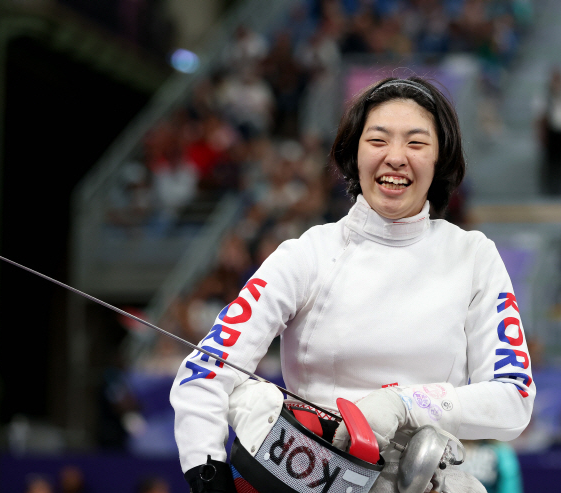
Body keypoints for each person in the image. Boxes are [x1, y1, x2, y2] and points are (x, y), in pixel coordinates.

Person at [170, 77, 535, 493]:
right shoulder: (307, 254)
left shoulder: (473, 256)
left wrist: (405, 404)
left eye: (416, 144)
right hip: (310, 480)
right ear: (354, 154)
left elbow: (513, 399)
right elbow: (204, 371)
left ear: (440, 161)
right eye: (378, 140)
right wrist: (207, 473)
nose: (395, 158)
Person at [534, 67, 561, 196]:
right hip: (551, 133)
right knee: (550, 163)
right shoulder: (545, 95)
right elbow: (539, 117)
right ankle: (549, 191)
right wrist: (541, 134)